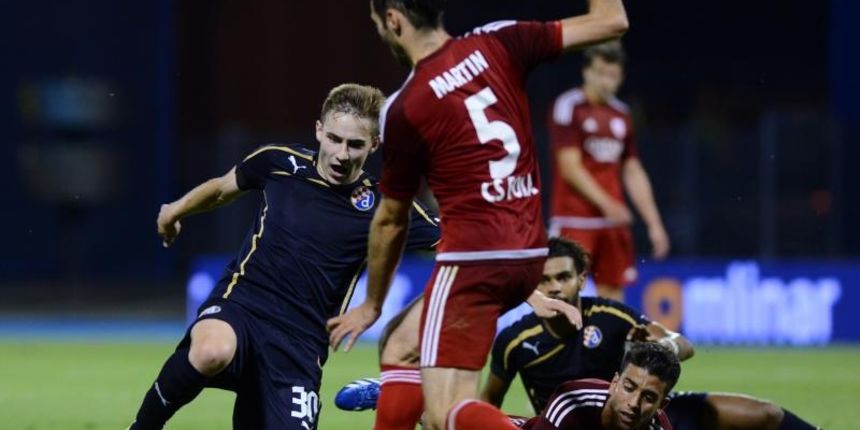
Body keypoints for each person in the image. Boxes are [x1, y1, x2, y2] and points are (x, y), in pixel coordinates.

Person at [327, 1, 629, 429]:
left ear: (393, 21)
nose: (380, 32)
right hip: (528, 255)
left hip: (471, 263)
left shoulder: (406, 106)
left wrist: (371, 303)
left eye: (378, 24)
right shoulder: (498, 41)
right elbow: (611, 21)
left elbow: (391, 220)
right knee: (401, 346)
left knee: (445, 415)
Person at [126, 84, 440, 430]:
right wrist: (174, 210)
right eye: (334, 139)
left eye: (355, 145)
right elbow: (220, 189)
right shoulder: (278, 162)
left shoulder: (386, 205)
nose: (342, 154)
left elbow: (459, 245)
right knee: (210, 351)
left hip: (300, 344)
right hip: (244, 305)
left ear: (374, 145)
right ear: (319, 130)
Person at [338, 237, 821, 430]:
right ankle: (402, 392)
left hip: (636, 408)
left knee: (764, 415)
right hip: (558, 423)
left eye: (563, 277)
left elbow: (682, 345)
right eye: (544, 279)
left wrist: (654, 357)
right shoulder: (515, 341)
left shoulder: (612, 317)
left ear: (580, 277)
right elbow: (482, 403)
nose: (555, 287)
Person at [548, 41, 669, 302]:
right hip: (574, 220)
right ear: (586, 72)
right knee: (562, 295)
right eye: (600, 73)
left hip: (612, 224)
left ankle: (608, 344)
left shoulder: (622, 114)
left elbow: (633, 170)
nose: (606, 81)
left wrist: (654, 223)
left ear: (621, 77)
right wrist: (608, 204)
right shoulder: (569, 106)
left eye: (612, 75)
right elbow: (570, 167)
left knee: (613, 300)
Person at [519, 341, 679, 430]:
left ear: (662, 405)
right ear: (614, 383)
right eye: (628, 388)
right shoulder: (574, 402)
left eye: (649, 397)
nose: (634, 403)